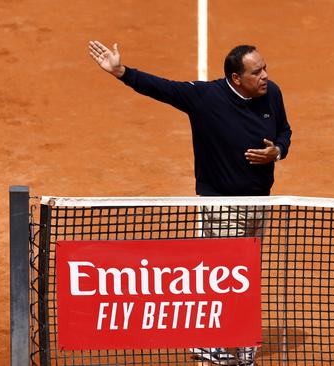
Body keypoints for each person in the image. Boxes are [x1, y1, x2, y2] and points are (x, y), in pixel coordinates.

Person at [88, 40, 293, 366]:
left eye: (265, 68)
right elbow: (162, 88)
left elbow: (284, 131)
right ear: (237, 78)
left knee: (246, 274)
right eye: (257, 72)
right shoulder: (206, 98)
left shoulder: (272, 94)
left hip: (259, 202)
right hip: (221, 205)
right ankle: (222, 342)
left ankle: (231, 341)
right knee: (229, 276)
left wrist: (277, 152)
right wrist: (122, 72)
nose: (266, 76)